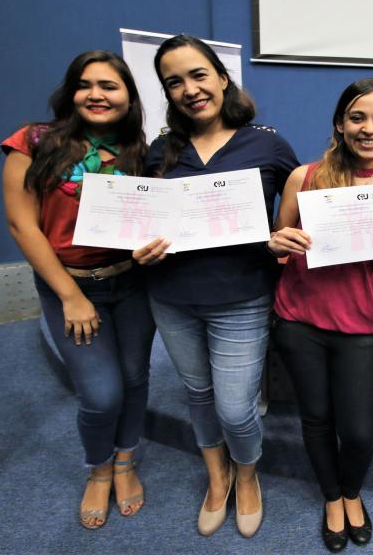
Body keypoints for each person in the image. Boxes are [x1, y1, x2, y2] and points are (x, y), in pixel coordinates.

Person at [131, 35, 298, 538]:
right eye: (174, 82)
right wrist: (138, 247)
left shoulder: (266, 143)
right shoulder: (161, 150)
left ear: (222, 78)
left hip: (241, 298)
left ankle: (247, 476)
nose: (189, 89)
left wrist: (282, 236)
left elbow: (301, 205)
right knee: (198, 394)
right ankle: (216, 475)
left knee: (234, 406)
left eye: (198, 75)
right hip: (172, 297)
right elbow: (142, 219)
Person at [1, 51, 155, 530]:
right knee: (101, 394)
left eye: (110, 86)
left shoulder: (140, 152)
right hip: (68, 286)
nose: (97, 94)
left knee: (133, 379)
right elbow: (21, 225)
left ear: (128, 97)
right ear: (71, 92)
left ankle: (126, 461)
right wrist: (70, 295)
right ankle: (99, 468)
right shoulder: (33, 141)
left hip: (131, 282)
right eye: (86, 84)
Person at [267, 78, 373, 552]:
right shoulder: (305, 176)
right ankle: (334, 498)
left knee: (357, 431)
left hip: (362, 327)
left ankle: (353, 490)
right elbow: (276, 245)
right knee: (315, 418)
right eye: (357, 117)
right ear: (339, 124)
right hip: (301, 321)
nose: (368, 128)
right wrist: (276, 243)